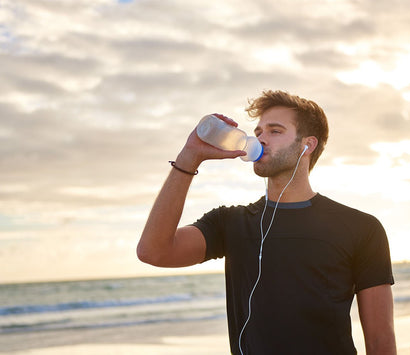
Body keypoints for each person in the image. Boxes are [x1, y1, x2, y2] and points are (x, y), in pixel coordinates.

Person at [137, 90, 396, 355]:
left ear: (307, 145)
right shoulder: (229, 223)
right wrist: (189, 157)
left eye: (275, 131)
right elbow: (153, 251)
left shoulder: (361, 229)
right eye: (258, 131)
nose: (260, 138)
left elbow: (380, 342)